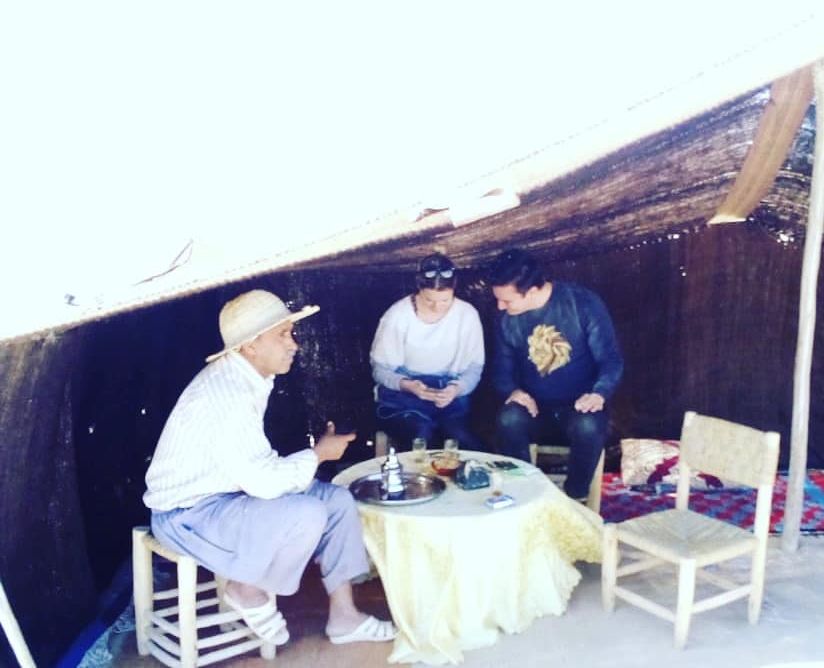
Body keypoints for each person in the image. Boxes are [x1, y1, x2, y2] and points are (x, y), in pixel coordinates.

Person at [143, 289, 396, 647]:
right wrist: (318, 455)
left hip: (229, 496)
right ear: (251, 345)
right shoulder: (230, 396)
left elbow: (254, 469)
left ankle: (344, 618)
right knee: (306, 514)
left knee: (337, 502)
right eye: (283, 335)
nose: (293, 344)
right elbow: (263, 483)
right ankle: (246, 588)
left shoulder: (247, 377)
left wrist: (316, 456)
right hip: (187, 516)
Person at [485, 247, 623, 501]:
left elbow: (610, 359)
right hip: (536, 410)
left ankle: (574, 498)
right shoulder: (506, 319)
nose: (500, 306)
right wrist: (513, 391)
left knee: (587, 425)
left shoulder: (582, 303)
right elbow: (501, 371)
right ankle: (523, 494)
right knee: (508, 419)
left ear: (532, 291)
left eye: (507, 300)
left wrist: (599, 393)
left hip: (579, 407)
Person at [370, 252, 485, 450]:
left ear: (453, 290)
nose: (437, 307)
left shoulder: (467, 315)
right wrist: (408, 385)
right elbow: (380, 371)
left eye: (445, 300)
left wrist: (456, 389)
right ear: (419, 289)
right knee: (421, 435)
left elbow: (474, 369)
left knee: (464, 440)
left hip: (448, 393)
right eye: (429, 300)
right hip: (405, 395)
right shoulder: (397, 316)